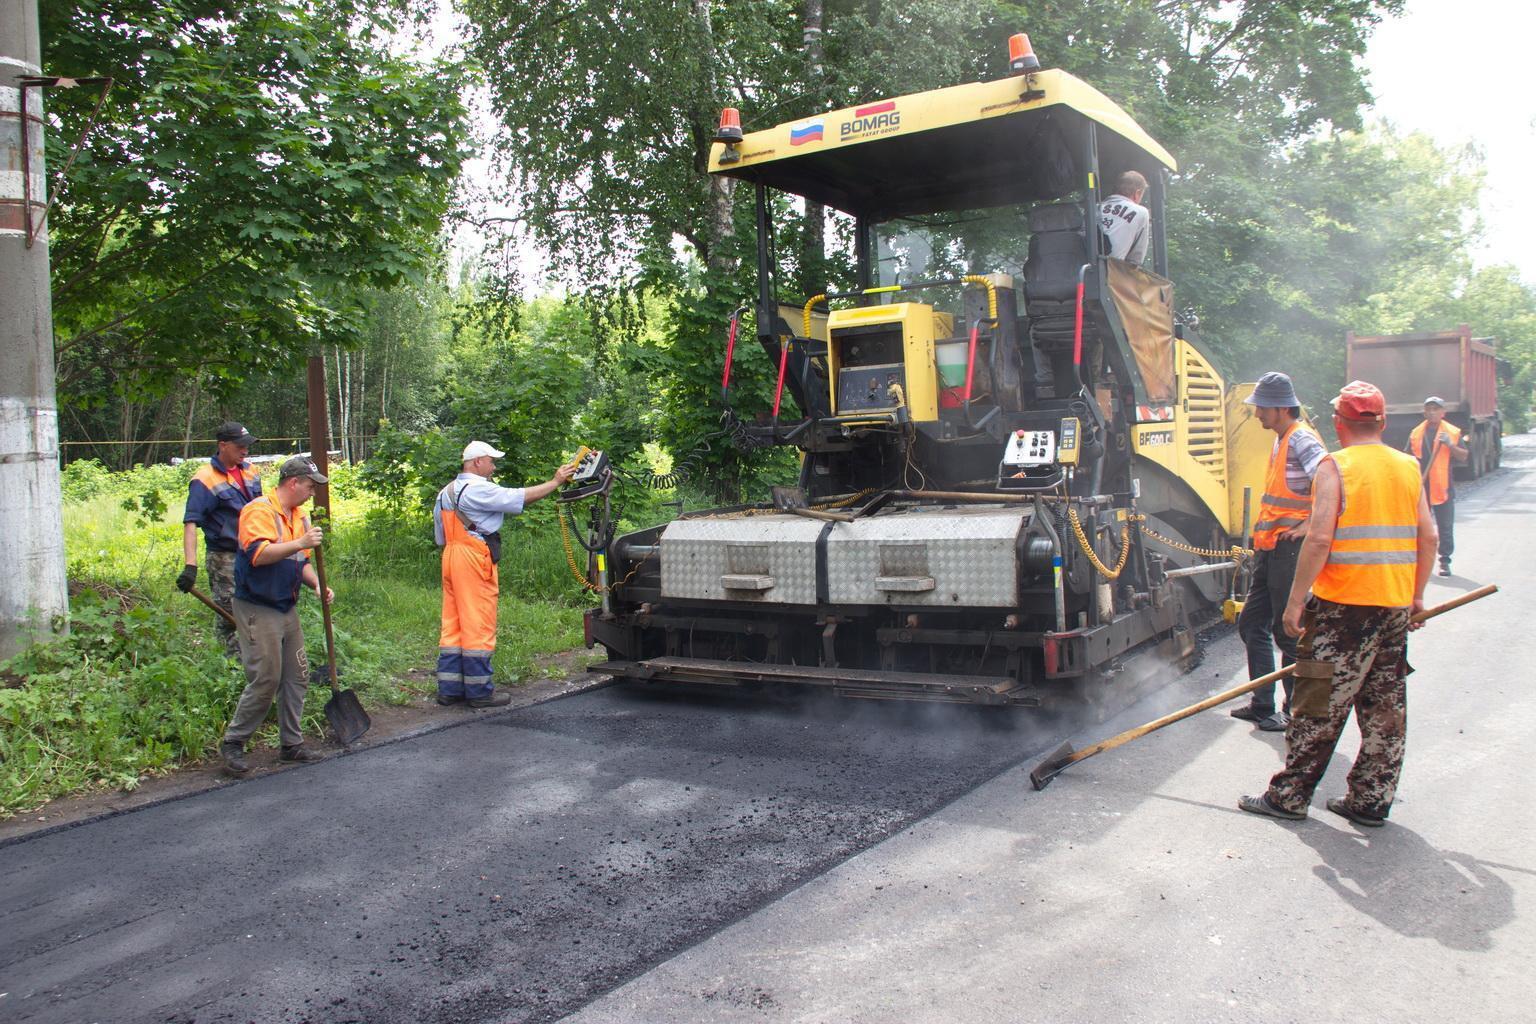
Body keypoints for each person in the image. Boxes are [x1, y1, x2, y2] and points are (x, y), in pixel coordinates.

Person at [1239, 381, 1438, 826]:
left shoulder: (1336, 466)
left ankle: (1289, 797)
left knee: (1316, 704)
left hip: (1342, 608)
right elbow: (1429, 536)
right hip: (1391, 609)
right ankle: (1370, 801)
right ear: (1382, 422)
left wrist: (1294, 604)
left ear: (1338, 423)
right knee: (1384, 708)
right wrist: (1417, 596)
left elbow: (1320, 537)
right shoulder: (1408, 465)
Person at [435, 442, 575, 709]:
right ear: (477, 462)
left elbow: (440, 534)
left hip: (451, 555)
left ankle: (450, 690)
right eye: (491, 461)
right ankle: (479, 693)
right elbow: (519, 498)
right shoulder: (477, 488)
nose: (494, 467)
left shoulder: (446, 491)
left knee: (453, 624)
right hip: (474, 557)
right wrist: (556, 481)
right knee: (478, 623)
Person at [219, 456, 334, 775]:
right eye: (311, 486)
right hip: (258, 606)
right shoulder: (258, 510)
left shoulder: (299, 516)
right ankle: (233, 742)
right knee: (266, 677)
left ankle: (291, 744)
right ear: (293, 483)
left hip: (287, 605)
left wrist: (317, 585)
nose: (313, 492)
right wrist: (300, 541)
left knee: (297, 674)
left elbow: (302, 561)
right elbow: (258, 555)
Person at [1230, 372, 1327, 732]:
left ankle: (1296, 711)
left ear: (1282, 408)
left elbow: (1333, 482)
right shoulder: (1281, 438)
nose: (1257, 415)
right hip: (1271, 549)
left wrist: (1309, 525)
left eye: (1263, 408)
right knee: (1252, 623)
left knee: (1288, 630)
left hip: (1291, 550)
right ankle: (1262, 703)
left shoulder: (1302, 439)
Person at [178, 421, 262, 655]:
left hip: (254, 551)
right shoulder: (204, 479)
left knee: (255, 607)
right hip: (224, 556)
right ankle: (232, 666)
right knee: (231, 611)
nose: (245, 451)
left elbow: (262, 510)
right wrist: (190, 566)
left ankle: (254, 657)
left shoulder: (251, 471)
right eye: (240, 446)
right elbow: (191, 522)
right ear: (223, 445)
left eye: (247, 446)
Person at [1407, 396, 1467, 577]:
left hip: (1443, 487)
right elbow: (1407, 458)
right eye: (1429, 409)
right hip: (1422, 487)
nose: (1432, 412)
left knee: (1445, 527)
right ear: (1424, 412)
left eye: (1436, 409)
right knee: (1419, 526)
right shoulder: (1416, 433)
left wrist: (1450, 444)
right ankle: (1418, 560)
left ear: (1443, 413)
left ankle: (1444, 561)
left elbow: (1464, 456)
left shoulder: (1452, 432)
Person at [1098, 170, 1150, 266]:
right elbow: (1135, 259)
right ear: (1137, 193)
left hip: (1081, 272)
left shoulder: (1095, 208)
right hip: (1111, 275)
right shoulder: (1141, 212)